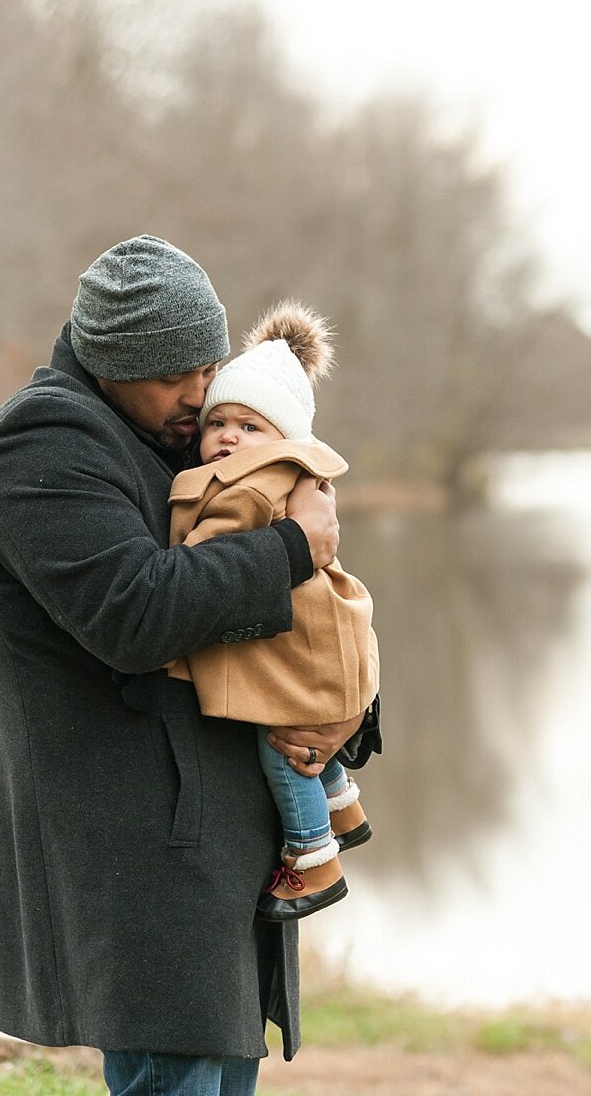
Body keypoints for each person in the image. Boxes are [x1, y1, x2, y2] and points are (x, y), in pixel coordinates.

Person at [0, 234, 380, 1096]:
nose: (201, 393)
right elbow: (137, 613)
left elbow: (285, 613)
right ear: (112, 364)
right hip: (139, 856)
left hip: (209, 851)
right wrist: (296, 544)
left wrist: (347, 710)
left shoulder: (180, 440)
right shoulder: (42, 445)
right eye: (176, 376)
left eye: (208, 365)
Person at [164, 300, 379, 921]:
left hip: (287, 648)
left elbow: (204, 564)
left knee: (279, 746)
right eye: (218, 423)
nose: (229, 437)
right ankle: (345, 808)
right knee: (303, 741)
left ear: (284, 439)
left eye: (251, 427)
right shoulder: (291, 481)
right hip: (307, 643)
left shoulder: (248, 488)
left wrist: (172, 554)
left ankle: (313, 861)